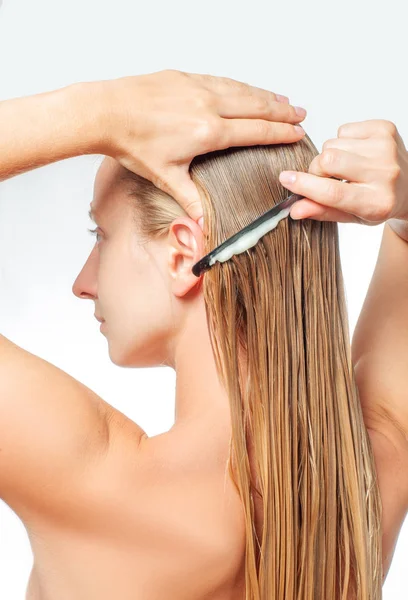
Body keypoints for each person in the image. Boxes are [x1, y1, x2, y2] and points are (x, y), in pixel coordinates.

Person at [0, 69, 406, 600]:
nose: (84, 283)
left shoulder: (96, 482)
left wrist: (100, 113)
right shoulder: (368, 480)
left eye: (102, 234)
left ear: (183, 251)